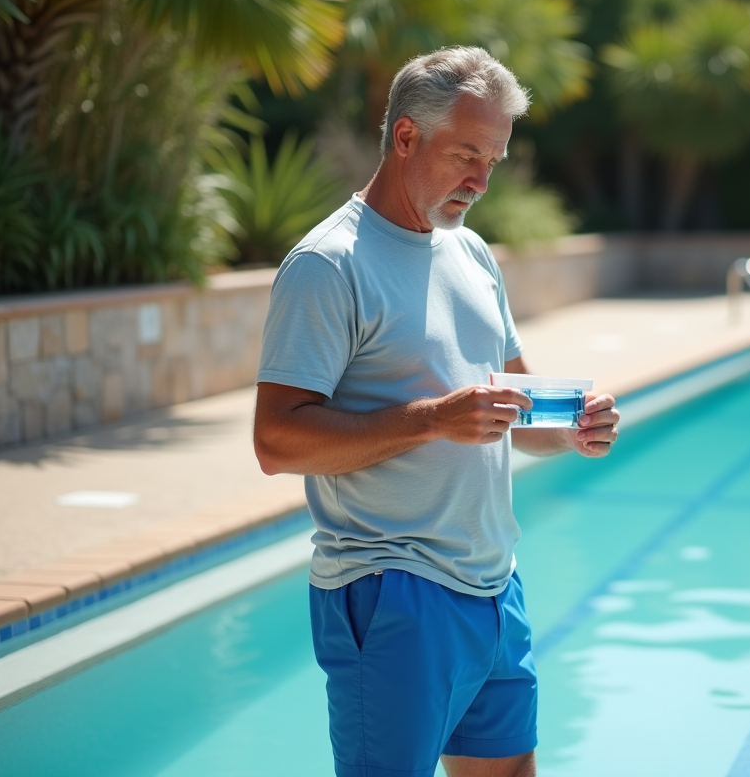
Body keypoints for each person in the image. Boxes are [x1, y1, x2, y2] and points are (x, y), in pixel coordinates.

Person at [252, 46, 619, 777]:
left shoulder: (472, 254)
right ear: (406, 136)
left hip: (493, 583)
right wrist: (430, 419)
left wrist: (574, 428)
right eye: (466, 155)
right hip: (392, 592)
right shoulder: (328, 265)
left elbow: (517, 410)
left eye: (494, 160)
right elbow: (276, 441)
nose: (481, 181)